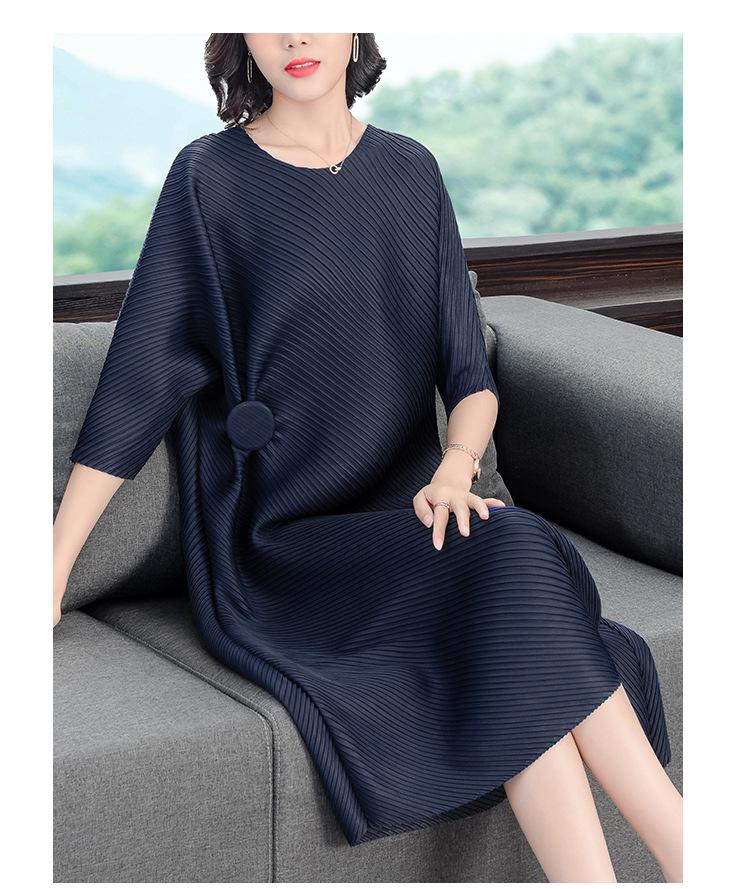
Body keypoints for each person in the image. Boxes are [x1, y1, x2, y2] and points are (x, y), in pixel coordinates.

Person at [53, 32, 683, 881]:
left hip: (410, 520)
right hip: (283, 549)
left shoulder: (409, 171)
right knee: (516, 551)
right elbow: (140, 380)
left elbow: (471, 376)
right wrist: (52, 570)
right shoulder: (209, 178)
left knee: (508, 624)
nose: (296, 34)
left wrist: (455, 466)